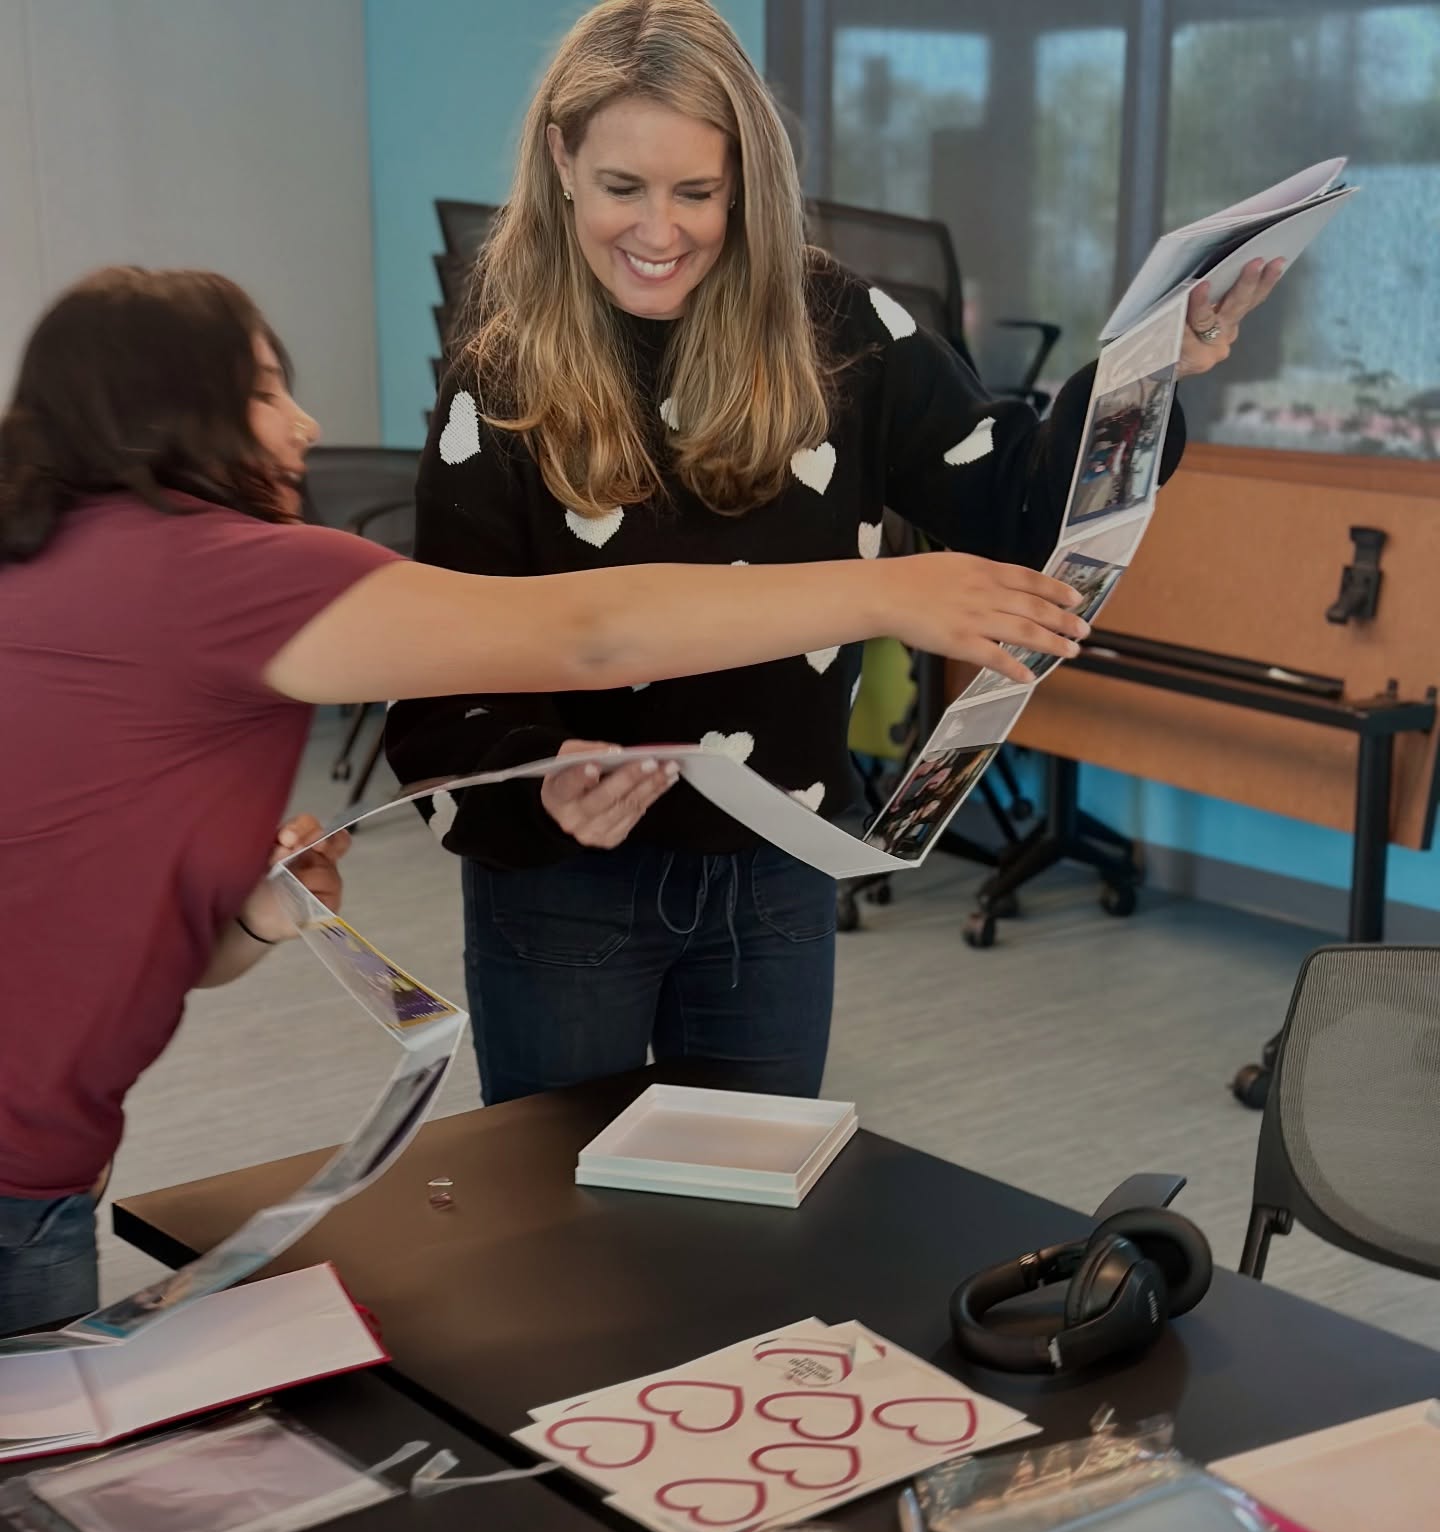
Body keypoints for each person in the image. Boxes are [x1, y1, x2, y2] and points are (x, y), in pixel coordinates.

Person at [0, 266, 1087, 1333]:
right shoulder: (220, 572)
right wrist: (893, 589)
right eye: (264, 391)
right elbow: (589, 629)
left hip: (45, 1163)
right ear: (161, 414)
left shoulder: (54, 560)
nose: (305, 423)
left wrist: (251, 916)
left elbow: (95, 914)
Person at [384, 0, 1280, 1107]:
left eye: (697, 193)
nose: (658, 231)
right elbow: (434, 709)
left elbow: (1021, 505)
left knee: (753, 1224)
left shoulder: (841, 328)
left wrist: (1154, 365)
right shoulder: (501, 383)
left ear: (744, 183)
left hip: (780, 878)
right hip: (565, 894)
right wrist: (541, 784)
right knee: (560, 1223)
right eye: (623, 187)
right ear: (562, 160)